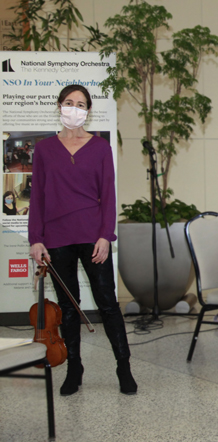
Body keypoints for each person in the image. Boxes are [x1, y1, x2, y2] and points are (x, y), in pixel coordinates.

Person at [28, 84, 137, 396]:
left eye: (80, 104)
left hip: (92, 237)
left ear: (88, 111)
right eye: (68, 102)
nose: (73, 108)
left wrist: (105, 236)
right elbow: (37, 197)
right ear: (59, 106)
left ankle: (123, 366)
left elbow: (108, 196)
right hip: (56, 237)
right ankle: (74, 367)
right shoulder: (45, 149)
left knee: (107, 304)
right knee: (68, 304)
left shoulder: (100, 148)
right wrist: (36, 238)